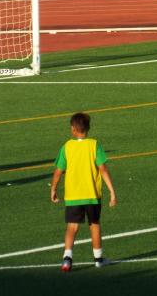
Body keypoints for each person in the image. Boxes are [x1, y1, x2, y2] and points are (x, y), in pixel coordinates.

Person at [51, 112, 117, 272]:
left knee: (72, 227)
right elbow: (103, 170)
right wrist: (112, 191)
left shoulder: (67, 146)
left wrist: (53, 188)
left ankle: (67, 259)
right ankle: (99, 259)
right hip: (92, 195)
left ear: (73, 129)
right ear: (88, 128)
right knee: (94, 225)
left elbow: (59, 171)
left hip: (73, 196)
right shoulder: (95, 145)